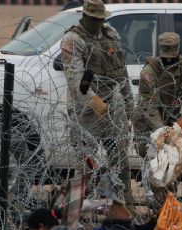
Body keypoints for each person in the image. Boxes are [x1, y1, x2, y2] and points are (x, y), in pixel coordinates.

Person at [60, 0, 134, 226]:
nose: (98, 23)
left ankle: (123, 204)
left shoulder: (110, 35)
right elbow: (75, 79)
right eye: (94, 19)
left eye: (101, 19)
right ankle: (74, 209)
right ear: (85, 16)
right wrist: (95, 102)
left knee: (119, 157)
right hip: (86, 111)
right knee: (86, 163)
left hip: (113, 107)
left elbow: (120, 71)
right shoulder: (73, 40)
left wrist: (129, 104)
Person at [133, 32, 182, 211]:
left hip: (174, 119)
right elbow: (150, 105)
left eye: (172, 58)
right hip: (149, 120)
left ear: (178, 50)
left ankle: (169, 198)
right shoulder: (149, 71)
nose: (169, 61)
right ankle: (159, 203)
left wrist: (181, 124)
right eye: (166, 57)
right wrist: (162, 132)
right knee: (156, 160)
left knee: (176, 159)